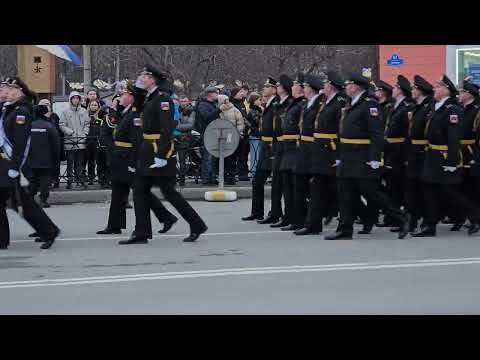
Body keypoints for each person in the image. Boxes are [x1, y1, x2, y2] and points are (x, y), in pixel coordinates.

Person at [122, 64, 207, 245]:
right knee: (140, 190)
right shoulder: (149, 97)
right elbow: (137, 104)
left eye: (144, 76)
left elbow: (167, 129)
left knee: (170, 193)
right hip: (147, 152)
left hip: (159, 151)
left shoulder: (163, 99)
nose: (141, 78)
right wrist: (137, 87)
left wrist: (161, 155)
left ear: (153, 79)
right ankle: (141, 232)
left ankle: (196, 223)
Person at [325, 73, 410, 241]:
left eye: (349, 84)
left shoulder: (369, 105)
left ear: (357, 86)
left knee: (372, 193)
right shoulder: (352, 103)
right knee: (345, 193)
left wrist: (375, 158)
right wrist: (339, 155)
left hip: (362, 158)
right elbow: (344, 133)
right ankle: (345, 229)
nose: (346, 87)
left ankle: (401, 218)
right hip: (348, 156)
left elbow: (377, 134)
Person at [97, 81, 178, 236]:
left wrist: (135, 162)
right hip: (120, 157)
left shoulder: (135, 114)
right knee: (119, 191)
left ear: (132, 97)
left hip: (129, 158)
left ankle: (165, 217)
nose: (121, 96)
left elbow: (136, 139)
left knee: (140, 191)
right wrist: (118, 110)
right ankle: (115, 225)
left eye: (124, 94)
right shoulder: (126, 111)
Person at [413, 75, 480, 237]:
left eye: (437, 87)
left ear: (446, 91)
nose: (434, 89)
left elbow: (453, 137)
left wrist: (452, 160)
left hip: (444, 156)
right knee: (429, 189)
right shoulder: (437, 107)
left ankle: (475, 216)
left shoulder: (452, 110)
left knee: (449, 191)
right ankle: (430, 226)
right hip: (432, 155)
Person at [0, 77, 60, 250]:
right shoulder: (10, 109)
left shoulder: (21, 113)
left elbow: (21, 144)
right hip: (5, 163)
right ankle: (3, 239)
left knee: (22, 202)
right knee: (15, 200)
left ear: (19, 91)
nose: (6, 92)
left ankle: (49, 231)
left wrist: (14, 167)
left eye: (10, 89)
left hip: (11, 164)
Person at [296, 71, 346, 235]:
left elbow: (341, 130)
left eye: (326, 83)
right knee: (317, 188)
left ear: (330, 85)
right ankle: (313, 225)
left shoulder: (337, 103)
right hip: (319, 151)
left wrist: (339, 154)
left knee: (338, 189)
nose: (323, 86)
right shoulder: (325, 102)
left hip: (330, 152)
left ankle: (365, 216)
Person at [242, 77, 278, 221]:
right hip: (265, 145)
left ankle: (275, 213)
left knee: (277, 183)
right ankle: (257, 212)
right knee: (257, 181)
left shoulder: (276, 103)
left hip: (272, 147)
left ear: (274, 89)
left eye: (267, 87)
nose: (264, 89)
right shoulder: (268, 104)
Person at [404, 75, 434, 233]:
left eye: (415, 88)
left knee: (425, 189)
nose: (412, 91)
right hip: (413, 152)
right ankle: (412, 220)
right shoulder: (417, 106)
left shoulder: (429, 107)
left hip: (424, 152)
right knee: (411, 188)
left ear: (421, 91)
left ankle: (428, 222)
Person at [449, 78, 480, 231]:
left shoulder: (476, 110)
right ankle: (461, 217)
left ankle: (475, 219)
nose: (459, 94)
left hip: (471, 152)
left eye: (462, 92)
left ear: (469, 94)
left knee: (472, 188)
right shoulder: (461, 109)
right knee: (461, 187)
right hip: (460, 152)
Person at [383, 75, 412, 232]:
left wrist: (406, 155)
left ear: (400, 91)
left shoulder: (406, 107)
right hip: (391, 150)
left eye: (395, 88)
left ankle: (403, 217)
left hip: (399, 151)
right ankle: (393, 218)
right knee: (392, 185)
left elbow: (408, 133)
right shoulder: (395, 106)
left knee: (399, 185)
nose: (392, 90)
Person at [279, 73, 306, 231]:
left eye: (296, 84)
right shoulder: (294, 103)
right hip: (287, 148)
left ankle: (298, 219)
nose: (293, 87)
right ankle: (290, 217)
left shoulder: (301, 104)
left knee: (296, 189)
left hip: (296, 149)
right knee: (288, 187)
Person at [266, 75, 293, 228]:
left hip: (286, 147)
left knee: (286, 185)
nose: (277, 87)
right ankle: (276, 213)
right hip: (278, 147)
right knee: (277, 183)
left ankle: (288, 215)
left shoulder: (288, 103)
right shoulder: (280, 103)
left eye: (279, 85)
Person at [27, 104, 61, 208]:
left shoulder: (28, 125)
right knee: (45, 181)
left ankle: (30, 199)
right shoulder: (49, 126)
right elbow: (56, 145)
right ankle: (43, 200)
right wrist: (56, 159)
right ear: (44, 113)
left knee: (31, 179)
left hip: (30, 159)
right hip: (46, 159)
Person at [59, 91, 90, 189]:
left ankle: (80, 180)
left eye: (77, 98)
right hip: (70, 140)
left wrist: (84, 134)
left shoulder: (84, 111)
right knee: (70, 162)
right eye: (74, 98)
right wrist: (70, 132)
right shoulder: (65, 111)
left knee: (80, 162)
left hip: (81, 140)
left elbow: (87, 124)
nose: (76, 100)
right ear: (71, 99)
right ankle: (69, 181)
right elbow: (62, 124)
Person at [195, 86, 222, 185]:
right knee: (208, 156)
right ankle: (206, 178)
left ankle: (212, 177)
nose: (217, 95)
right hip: (207, 133)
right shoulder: (203, 105)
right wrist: (219, 110)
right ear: (210, 94)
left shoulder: (213, 104)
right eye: (216, 93)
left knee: (213, 156)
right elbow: (207, 117)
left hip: (214, 132)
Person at [217, 94, 245, 185]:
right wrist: (237, 133)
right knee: (231, 158)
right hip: (230, 136)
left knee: (227, 157)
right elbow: (240, 123)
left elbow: (240, 123)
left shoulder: (222, 110)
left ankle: (227, 176)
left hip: (227, 136)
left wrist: (236, 133)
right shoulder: (234, 110)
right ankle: (230, 177)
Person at [38, 99, 63, 188]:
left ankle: (55, 180)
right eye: (44, 104)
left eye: (48, 104)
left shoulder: (54, 116)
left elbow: (57, 128)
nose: (47, 106)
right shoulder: (37, 117)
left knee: (55, 164)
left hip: (53, 144)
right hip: (41, 145)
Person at [230, 85, 250, 181]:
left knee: (243, 155)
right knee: (233, 155)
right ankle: (232, 174)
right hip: (235, 133)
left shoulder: (242, 103)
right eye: (239, 92)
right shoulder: (231, 104)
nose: (242, 94)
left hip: (244, 133)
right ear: (234, 94)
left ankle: (243, 174)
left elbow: (244, 116)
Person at [175, 96, 195, 187]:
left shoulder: (191, 111)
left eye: (185, 101)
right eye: (182, 101)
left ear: (188, 102)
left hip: (184, 137)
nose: (183, 103)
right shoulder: (176, 110)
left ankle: (182, 180)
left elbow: (190, 125)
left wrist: (176, 126)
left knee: (182, 160)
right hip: (174, 136)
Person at [84, 100, 102, 185]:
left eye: (95, 105)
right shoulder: (85, 114)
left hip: (97, 140)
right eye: (92, 105)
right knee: (89, 160)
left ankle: (100, 177)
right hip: (87, 140)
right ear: (89, 106)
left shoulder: (102, 114)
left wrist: (97, 119)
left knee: (98, 160)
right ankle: (90, 177)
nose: (94, 106)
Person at [245, 92, 263, 177]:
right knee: (255, 154)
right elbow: (255, 122)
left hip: (257, 134)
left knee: (258, 154)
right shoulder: (253, 111)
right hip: (255, 134)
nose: (260, 101)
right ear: (254, 101)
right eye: (259, 99)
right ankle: (254, 172)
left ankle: (255, 171)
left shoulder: (257, 109)